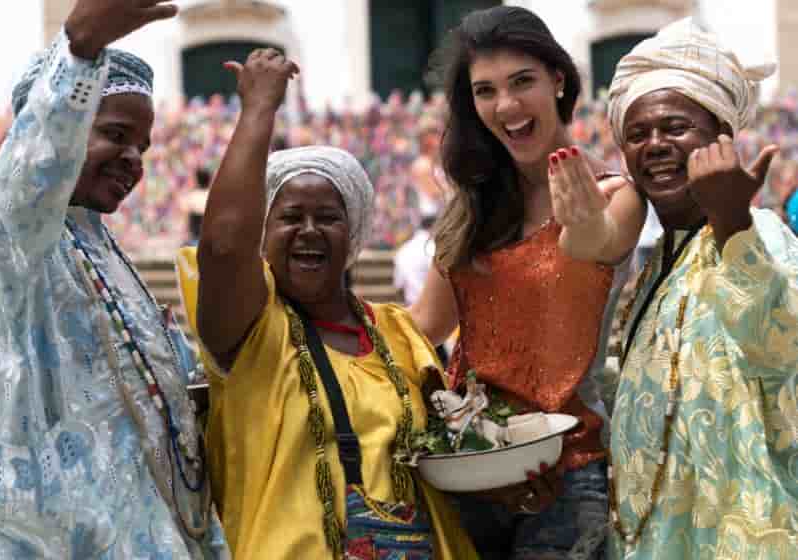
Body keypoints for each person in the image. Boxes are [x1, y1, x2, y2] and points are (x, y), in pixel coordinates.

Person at [176, 49, 477, 559]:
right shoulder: (251, 333)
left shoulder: (397, 333)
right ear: (263, 235)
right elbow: (224, 246)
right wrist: (258, 112)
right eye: (290, 216)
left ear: (353, 232)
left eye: (328, 217)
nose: (309, 230)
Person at [0, 1, 227, 557]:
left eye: (143, 146)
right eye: (116, 134)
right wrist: (78, 48)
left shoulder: (100, 242)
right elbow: (32, 172)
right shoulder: (1, 217)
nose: (134, 159)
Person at [410, 6, 647, 559]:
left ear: (558, 81)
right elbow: (426, 325)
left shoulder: (616, 195)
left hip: (567, 475)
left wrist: (580, 226)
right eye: (485, 90)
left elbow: (599, 244)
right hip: (468, 470)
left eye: (523, 82)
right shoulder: (471, 208)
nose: (507, 106)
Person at [604, 18, 798, 559]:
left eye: (676, 128)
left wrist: (732, 219)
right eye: (638, 134)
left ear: (722, 139)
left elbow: (778, 349)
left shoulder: (760, 234)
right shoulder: (652, 269)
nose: (656, 146)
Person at [182, 166, 212, 244]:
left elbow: (186, 217)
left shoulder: (192, 197)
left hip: (195, 238)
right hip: (209, 238)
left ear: (197, 181)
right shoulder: (212, 197)